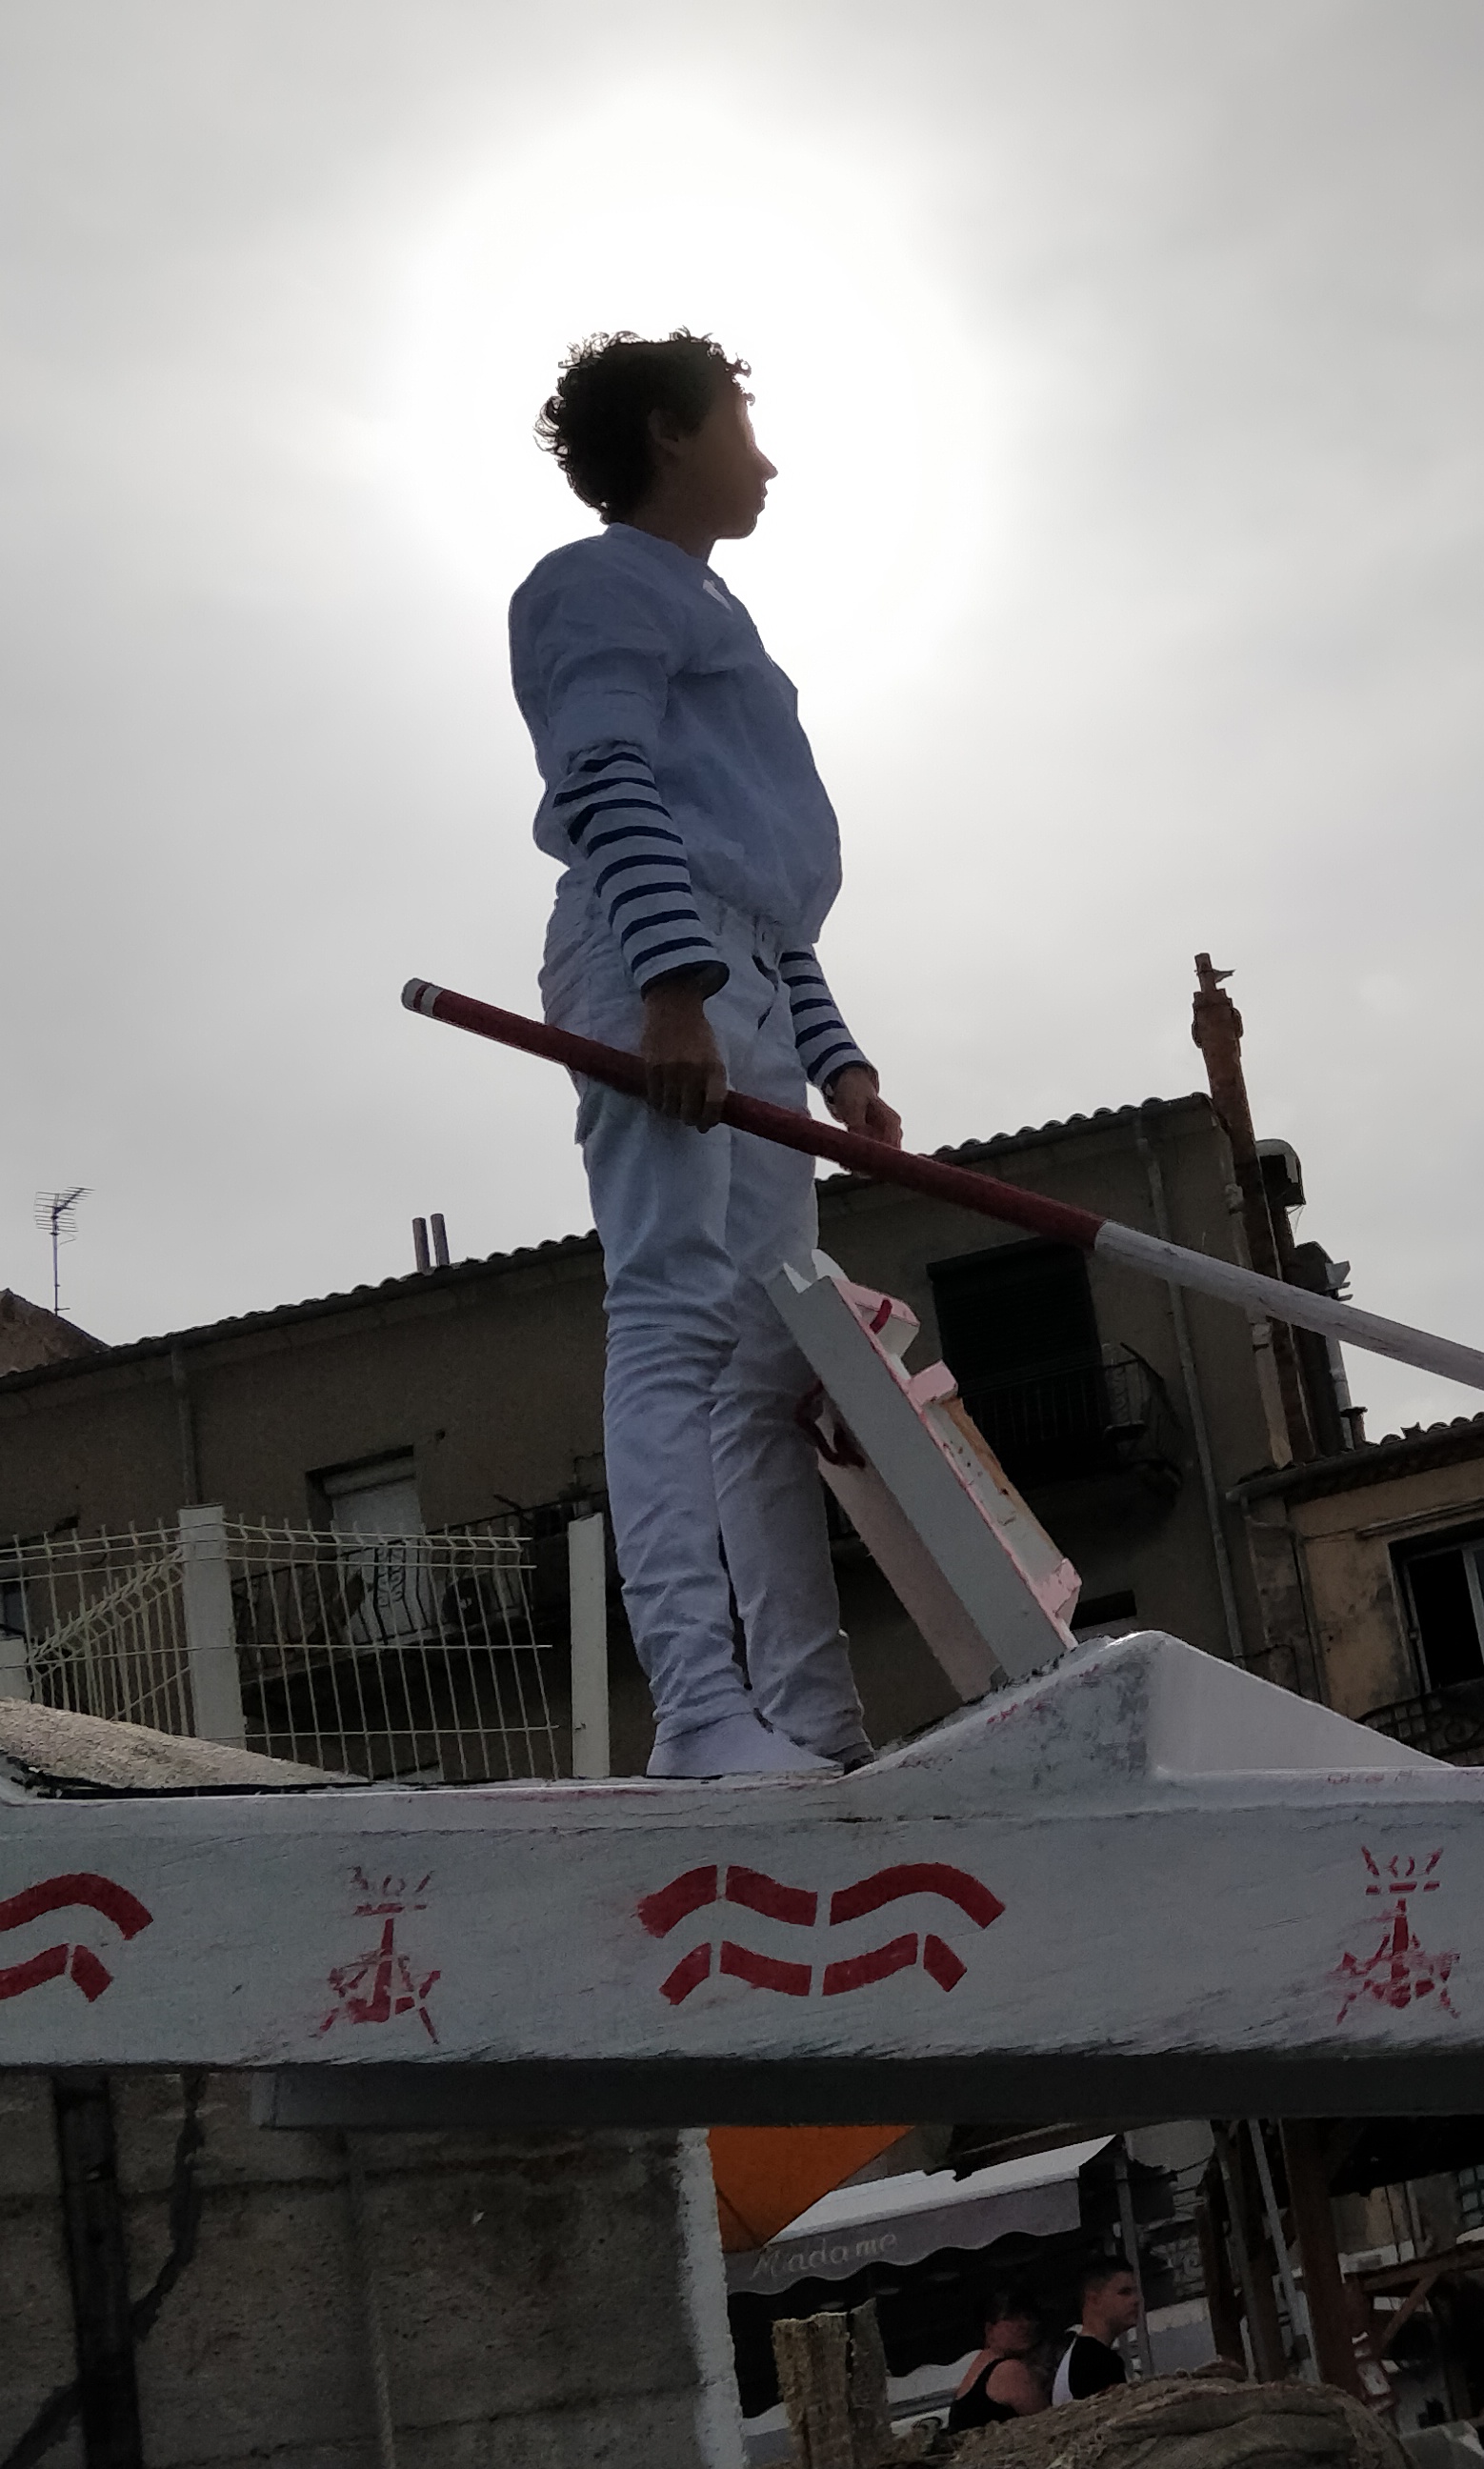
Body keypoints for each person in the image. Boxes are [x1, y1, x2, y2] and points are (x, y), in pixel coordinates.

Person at [512, 331, 903, 1778]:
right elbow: (605, 776)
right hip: (650, 956)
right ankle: (696, 1712)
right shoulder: (595, 581)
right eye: (743, 422)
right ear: (671, 433)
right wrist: (673, 990)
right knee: (673, 1315)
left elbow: (764, 889)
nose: (768, 456)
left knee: (765, 1361)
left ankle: (809, 1714)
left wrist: (840, 1063)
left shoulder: (704, 606)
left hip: (732, 969)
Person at [942, 2289, 1049, 2428]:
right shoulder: (1009, 2370)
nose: (1025, 2324)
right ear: (989, 2330)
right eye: (1012, 2318)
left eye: (1029, 2317)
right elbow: (1050, 2425)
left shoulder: (974, 2373)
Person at [1051, 2260, 1138, 2405]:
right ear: (1094, 2300)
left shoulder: (1080, 2353)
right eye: (1124, 2292)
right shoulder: (1095, 2360)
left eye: (1136, 2292)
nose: (1136, 2300)